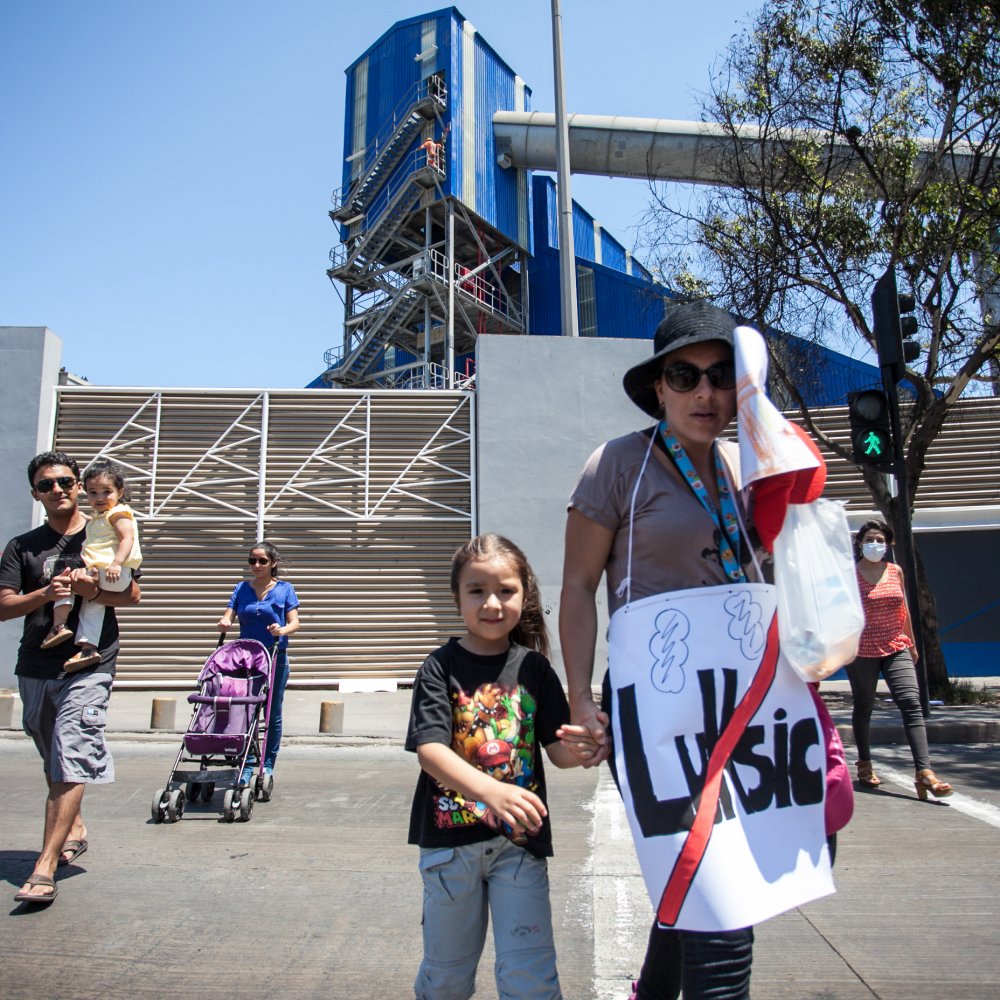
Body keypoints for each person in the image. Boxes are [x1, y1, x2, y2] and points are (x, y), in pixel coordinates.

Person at [557, 302, 768, 999]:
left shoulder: (749, 468)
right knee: (719, 889)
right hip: (653, 708)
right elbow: (578, 587)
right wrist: (580, 698)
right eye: (685, 376)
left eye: (720, 376)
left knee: (694, 879)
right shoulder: (619, 463)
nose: (705, 393)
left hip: (741, 704)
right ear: (659, 387)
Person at [405, 533, 581, 1000]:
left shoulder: (535, 670)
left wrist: (592, 743)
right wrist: (493, 792)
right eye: (477, 590)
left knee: (531, 979)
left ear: (524, 595)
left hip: (519, 848)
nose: (492, 603)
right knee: (446, 978)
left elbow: (560, 751)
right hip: (449, 852)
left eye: (506, 590)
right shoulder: (438, 668)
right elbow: (431, 752)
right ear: (456, 597)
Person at [0, 451, 141, 905]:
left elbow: (132, 594)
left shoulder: (104, 527)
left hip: (91, 662)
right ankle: (73, 825)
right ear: (35, 494)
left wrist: (91, 589)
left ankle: (44, 866)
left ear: (79, 485)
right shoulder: (23, 546)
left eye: (65, 481)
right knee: (51, 751)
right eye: (47, 485)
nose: (58, 490)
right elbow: (3, 606)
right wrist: (46, 592)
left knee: (72, 749)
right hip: (37, 663)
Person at [846, 520, 953, 799]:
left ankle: (924, 772)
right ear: (859, 543)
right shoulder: (849, 574)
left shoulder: (895, 571)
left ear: (888, 544)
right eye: (870, 539)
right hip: (861, 649)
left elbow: (903, 609)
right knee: (864, 706)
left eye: (880, 540)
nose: (875, 544)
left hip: (896, 645)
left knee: (911, 703)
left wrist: (912, 644)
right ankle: (864, 763)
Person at [40, 459, 142, 670]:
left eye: (106, 491)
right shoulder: (101, 517)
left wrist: (116, 563)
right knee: (94, 602)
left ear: (120, 492)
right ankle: (88, 648)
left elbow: (128, 538)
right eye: (93, 492)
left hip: (111, 571)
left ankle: (58, 626)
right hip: (107, 575)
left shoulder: (118, 513)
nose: (100, 497)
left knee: (66, 579)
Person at [217, 540, 299, 782]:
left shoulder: (285, 589)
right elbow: (228, 615)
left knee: (272, 712)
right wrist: (224, 622)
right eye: (252, 560)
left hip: (275, 656)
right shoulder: (242, 588)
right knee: (246, 709)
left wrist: (281, 630)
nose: (257, 565)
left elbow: (295, 622)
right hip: (246, 658)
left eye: (262, 561)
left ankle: (268, 762)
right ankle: (248, 763)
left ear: (272, 563)